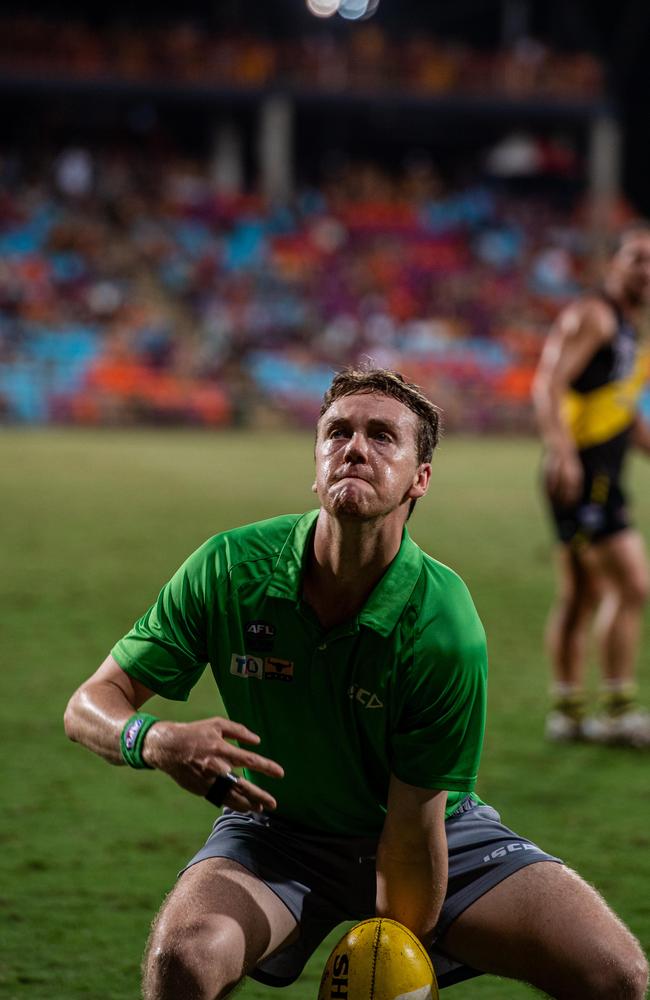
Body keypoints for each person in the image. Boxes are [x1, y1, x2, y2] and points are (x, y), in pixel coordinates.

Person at [65, 368, 647, 1000]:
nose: (355, 448)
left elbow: (410, 834)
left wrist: (389, 960)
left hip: (430, 831)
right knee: (184, 958)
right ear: (316, 461)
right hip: (275, 829)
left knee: (615, 974)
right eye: (337, 432)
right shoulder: (229, 568)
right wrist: (152, 740)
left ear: (420, 478)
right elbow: (89, 705)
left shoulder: (443, 625)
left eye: (382, 436)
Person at [532, 226, 650, 746]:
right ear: (614, 265)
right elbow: (548, 383)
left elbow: (620, 408)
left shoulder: (634, 330)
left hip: (604, 472)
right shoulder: (595, 317)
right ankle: (620, 711)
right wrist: (562, 451)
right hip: (581, 474)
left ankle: (569, 712)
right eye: (637, 259)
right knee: (631, 584)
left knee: (582, 593)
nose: (646, 271)